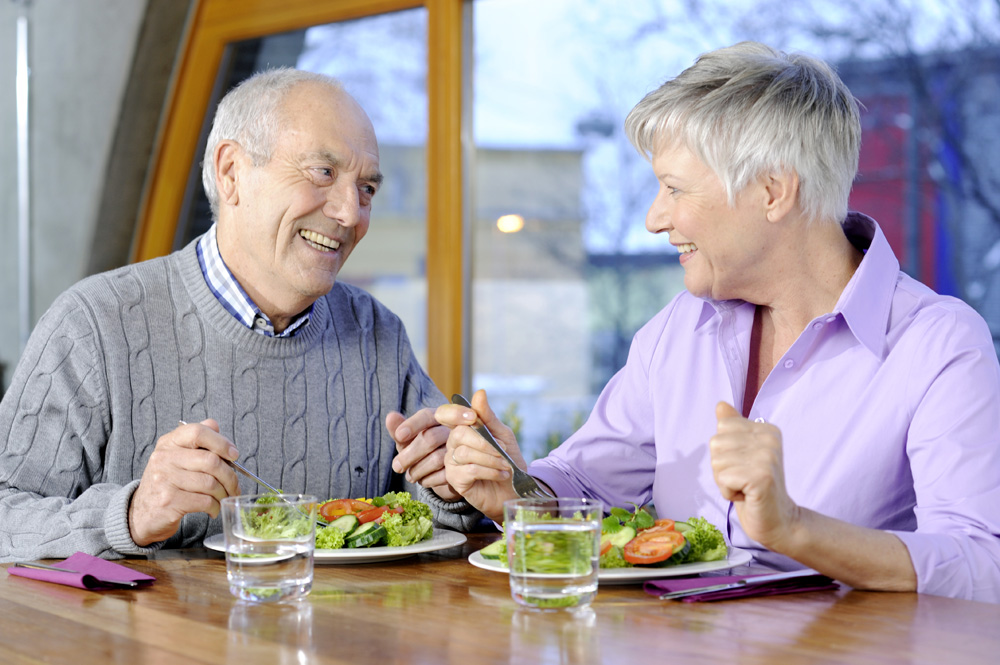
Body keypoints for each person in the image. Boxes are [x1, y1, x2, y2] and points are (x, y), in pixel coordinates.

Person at [436, 42, 1000, 603]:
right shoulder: (677, 330)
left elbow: (980, 564)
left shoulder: (939, 344)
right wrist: (514, 484)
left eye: (674, 188)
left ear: (772, 191)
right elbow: (588, 487)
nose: (656, 218)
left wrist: (796, 528)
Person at [0, 68, 478, 562]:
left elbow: (440, 507)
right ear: (232, 173)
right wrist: (131, 515)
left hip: (342, 636)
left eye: (367, 189)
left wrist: (454, 484)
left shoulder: (378, 332)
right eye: (324, 173)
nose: (351, 214)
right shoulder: (93, 325)